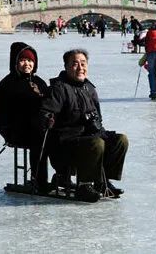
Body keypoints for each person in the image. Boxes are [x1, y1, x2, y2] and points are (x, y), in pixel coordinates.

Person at [39, 49, 129, 202]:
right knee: (96, 144)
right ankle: (84, 185)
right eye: (74, 64)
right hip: (65, 142)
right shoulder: (58, 89)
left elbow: (97, 116)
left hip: (90, 136)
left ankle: (103, 181)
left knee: (121, 140)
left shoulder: (89, 88)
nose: (80, 67)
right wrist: (48, 119)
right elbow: (45, 111)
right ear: (66, 67)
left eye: (83, 63)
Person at [0, 42, 49, 193]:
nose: (27, 64)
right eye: (23, 60)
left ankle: (63, 176)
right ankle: (38, 180)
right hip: (16, 131)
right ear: (15, 62)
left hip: (39, 128)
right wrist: (7, 133)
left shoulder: (39, 82)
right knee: (41, 138)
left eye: (30, 61)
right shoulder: (7, 85)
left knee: (62, 135)